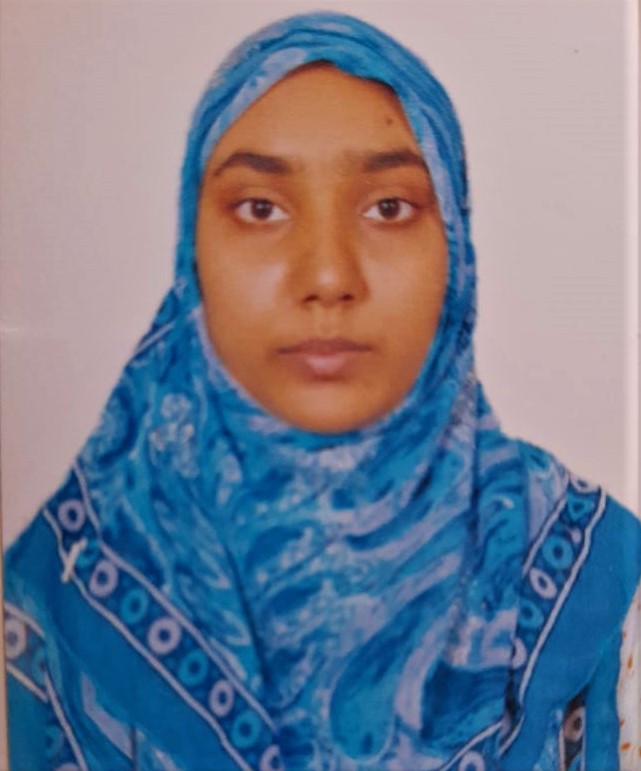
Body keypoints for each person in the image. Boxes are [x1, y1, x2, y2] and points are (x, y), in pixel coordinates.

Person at [3, 11, 640, 770]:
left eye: (388, 208)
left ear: (455, 251)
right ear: (192, 253)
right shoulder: (65, 576)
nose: (329, 275)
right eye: (260, 209)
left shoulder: (598, 571)